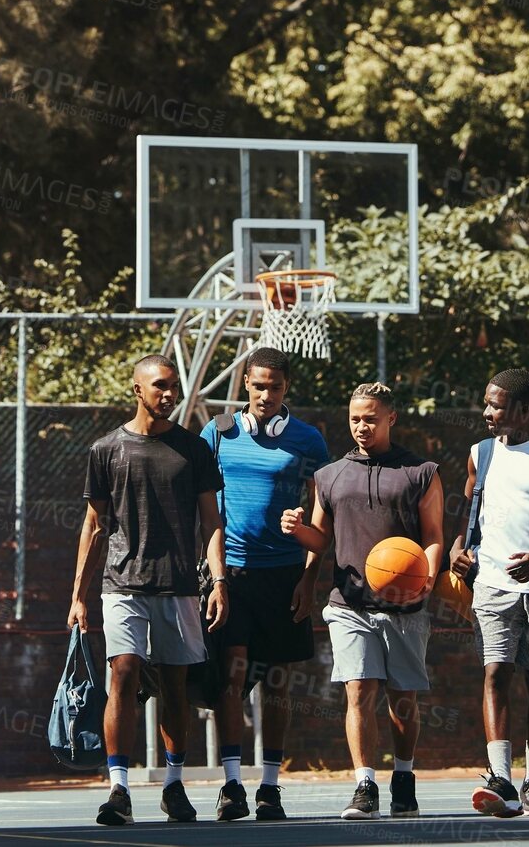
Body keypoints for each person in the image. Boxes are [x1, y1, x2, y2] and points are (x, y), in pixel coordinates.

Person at [69, 354, 228, 828]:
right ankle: (118, 788)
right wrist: (78, 596)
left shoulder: (194, 449)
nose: (169, 394)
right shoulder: (106, 450)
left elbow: (211, 521)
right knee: (123, 673)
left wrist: (218, 581)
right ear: (137, 389)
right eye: (159, 386)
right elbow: (94, 526)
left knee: (176, 687)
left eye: (173, 387)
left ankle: (174, 785)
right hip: (121, 586)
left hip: (179, 587)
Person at [281, 381, 444, 821]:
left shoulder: (421, 471)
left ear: (391, 417)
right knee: (358, 691)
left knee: (402, 699)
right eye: (355, 418)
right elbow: (320, 538)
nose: (362, 426)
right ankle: (365, 785)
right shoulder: (329, 475)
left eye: (371, 417)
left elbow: (433, 538)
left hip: (404, 607)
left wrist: (424, 579)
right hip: (349, 604)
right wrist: (298, 530)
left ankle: (404, 777)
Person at [200, 346, 329, 823]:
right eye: (258, 386)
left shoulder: (309, 440)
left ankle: (270, 788)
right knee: (231, 678)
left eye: (275, 387)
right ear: (246, 386)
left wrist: (310, 575)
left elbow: (322, 516)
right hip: (231, 574)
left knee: (276, 685)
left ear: (286, 388)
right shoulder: (218, 433)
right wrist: (216, 577)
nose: (266, 395)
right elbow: (206, 510)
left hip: (285, 576)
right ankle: (232, 785)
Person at [449, 368, 529, 819]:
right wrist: (456, 550)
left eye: (496, 405)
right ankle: (500, 776)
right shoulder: (480, 454)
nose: (487, 412)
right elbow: (470, 514)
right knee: (495, 673)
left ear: (524, 410)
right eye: (485, 403)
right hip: (492, 585)